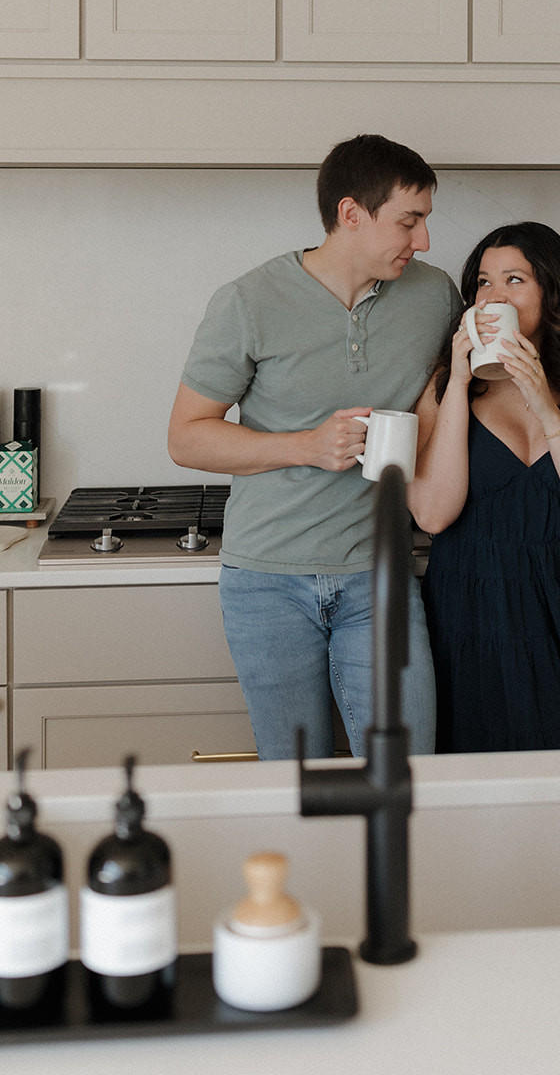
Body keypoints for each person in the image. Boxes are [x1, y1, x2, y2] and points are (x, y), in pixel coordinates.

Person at [168, 135, 461, 761]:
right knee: (295, 780)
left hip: (380, 574)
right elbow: (187, 436)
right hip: (266, 582)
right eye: (409, 222)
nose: (425, 241)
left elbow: (456, 407)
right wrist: (305, 445)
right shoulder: (248, 301)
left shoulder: (435, 298)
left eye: (426, 221)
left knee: (407, 773)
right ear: (351, 214)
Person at [409, 222, 560, 753]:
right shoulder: (441, 392)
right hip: (474, 609)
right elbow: (432, 515)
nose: (493, 296)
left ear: (552, 292)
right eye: (482, 283)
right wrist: (456, 381)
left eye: (514, 280)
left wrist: (545, 405)